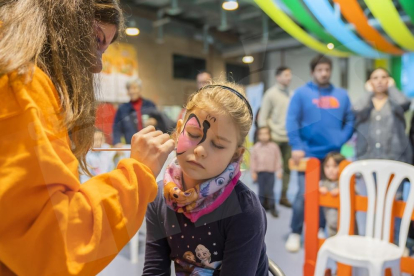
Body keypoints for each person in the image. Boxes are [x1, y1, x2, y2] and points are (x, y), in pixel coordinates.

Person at [0, 1, 175, 275]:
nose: (96, 65)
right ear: (66, 19)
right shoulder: (22, 86)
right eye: (96, 40)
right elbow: (57, 243)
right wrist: (138, 173)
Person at [142, 82, 268, 276]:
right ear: (178, 131)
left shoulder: (244, 209)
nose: (200, 150)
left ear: (236, 155)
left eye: (217, 145)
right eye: (193, 134)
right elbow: (154, 271)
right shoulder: (159, 197)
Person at [285, 54, 354, 252]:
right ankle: (295, 232)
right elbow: (291, 120)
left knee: (327, 193)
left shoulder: (341, 94)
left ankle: (322, 229)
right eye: (319, 70)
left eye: (327, 70)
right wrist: (296, 145)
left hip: (332, 155)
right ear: (312, 71)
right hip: (308, 153)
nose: (324, 73)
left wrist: (341, 139)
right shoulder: (301, 94)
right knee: (302, 195)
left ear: (330, 71)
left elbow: (350, 119)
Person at [353, 67, 412, 164]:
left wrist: (392, 88)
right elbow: (356, 109)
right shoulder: (365, 103)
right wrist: (369, 92)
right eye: (375, 78)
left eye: (384, 77)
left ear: (389, 81)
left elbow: (405, 104)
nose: (379, 81)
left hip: (394, 157)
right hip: (367, 157)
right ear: (369, 82)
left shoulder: (394, 102)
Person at [258, 66, 293, 208]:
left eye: (290, 75)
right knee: (269, 170)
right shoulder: (270, 94)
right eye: (286, 75)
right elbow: (263, 117)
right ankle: (266, 199)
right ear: (278, 77)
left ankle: (283, 196)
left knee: (287, 169)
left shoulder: (292, 94)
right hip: (274, 138)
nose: (289, 77)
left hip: (288, 138)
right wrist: (265, 136)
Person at [113, 78, 157, 145]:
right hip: (131, 145)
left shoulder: (149, 105)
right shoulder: (122, 109)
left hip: (149, 144)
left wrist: (155, 122)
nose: (132, 91)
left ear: (140, 89)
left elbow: (160, 122)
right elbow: (116, 128)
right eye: (129, 89)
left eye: (134, 88)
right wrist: (117, 142)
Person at [251, 127, 283, 218]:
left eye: (266, 133)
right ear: (258, 135)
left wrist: (279, 170)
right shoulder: (256, 147)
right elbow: (253, 160)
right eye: (261, 134)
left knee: (270, 191)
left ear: (269, 135)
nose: (264, 136)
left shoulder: (274, 147)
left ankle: (272, 207)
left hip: (270, 173)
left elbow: (278, 159)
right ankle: (260, 209)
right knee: (261, 191)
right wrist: (253, 172)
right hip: (260, 173)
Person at [319, 152, 345, 237]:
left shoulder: (346, 182)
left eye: (335, 166)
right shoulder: (324, 183)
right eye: (327, 166)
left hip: (346, 224)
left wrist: (342, 190)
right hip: (330, 225)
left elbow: (356, 192)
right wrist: (320, 190)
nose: (330, 170)